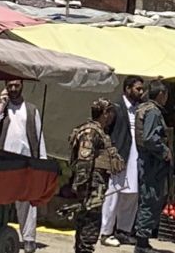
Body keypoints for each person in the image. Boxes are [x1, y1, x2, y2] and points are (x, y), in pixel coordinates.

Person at [0, 79, 48, 253]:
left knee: (26, 202)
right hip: (3, 164)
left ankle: (28, 239)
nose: (13, 89)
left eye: (16, 86)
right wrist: (1, 106)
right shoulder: (1, 110)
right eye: (10, 86)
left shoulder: (31, 109)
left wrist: (41, 161)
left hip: (25, 163)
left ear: (22, 86)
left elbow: (38, 137)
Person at [70, 99, 128, 253]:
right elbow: (84, 160)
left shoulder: (100, 132)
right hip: (91, 185)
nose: (111, 117)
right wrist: (82, 187)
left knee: (89, 220)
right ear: (104, 113)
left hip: (98, 183)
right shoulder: (90, 132)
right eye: (110, 113)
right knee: (90, 220)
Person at [103, 76, 146, 247]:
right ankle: (106, 233)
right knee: (113, 194)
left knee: (132, 195)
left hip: (136, 157)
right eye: (138, 89)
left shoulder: (140, 109)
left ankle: (124, 231)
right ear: (127, 89)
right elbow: (106, 131)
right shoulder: (115, 107)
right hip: (119, 157)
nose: (141, 92)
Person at [133, 80, 174, 253]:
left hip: (147, 162)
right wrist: (164, 150)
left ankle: (143, 240)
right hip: (151, 164)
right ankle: (142, 243)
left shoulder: (144, 108)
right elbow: (150, 138)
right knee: (150, 199)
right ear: (161, 94)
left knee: (149, 198)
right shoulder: (153, 112)